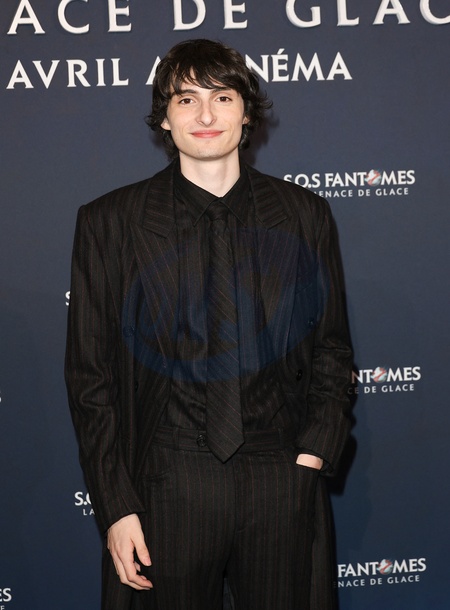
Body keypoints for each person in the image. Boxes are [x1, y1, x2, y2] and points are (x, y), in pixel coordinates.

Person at [65, 38, 352, 610]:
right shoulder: (109, 223)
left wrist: (312, 456)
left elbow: (331, 348)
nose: (204, 114)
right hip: (167, 481)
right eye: (185, 99)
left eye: (222, 97)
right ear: (164, 117)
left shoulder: (304, 214)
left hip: (280, 477)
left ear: (246, 112)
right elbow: (91, 378)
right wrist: (117, 506)